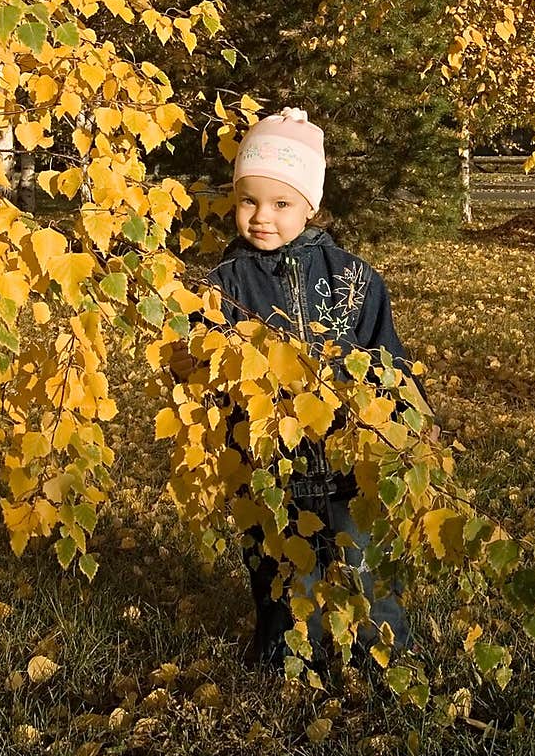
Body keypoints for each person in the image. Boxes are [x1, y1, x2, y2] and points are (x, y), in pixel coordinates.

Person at [170, 106, 436, 672]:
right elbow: (198, 370)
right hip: (264, 458)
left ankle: (382, 649)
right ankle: (285, 651)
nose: (261, 217)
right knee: (274, 557)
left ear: (311, 205)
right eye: (248, 200)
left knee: (360, 553)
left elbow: (386, 359)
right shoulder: (221, 285)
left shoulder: (353, 279)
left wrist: (406, 420)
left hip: (347, 455)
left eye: (281, 203)